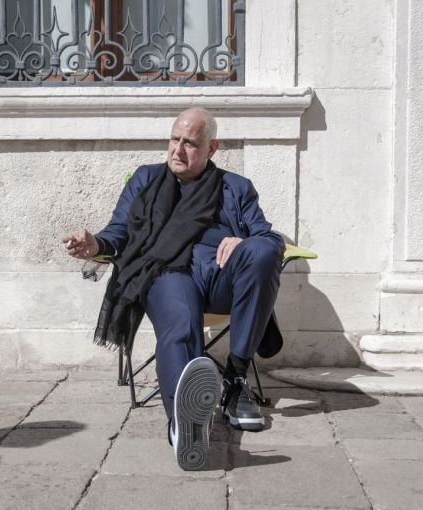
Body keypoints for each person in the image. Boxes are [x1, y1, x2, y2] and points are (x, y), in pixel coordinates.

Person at [62, 107, 284, 471]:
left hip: (221, 276)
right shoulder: (146, 179)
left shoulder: (236, 188)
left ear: (212, 148)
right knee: (180, 324)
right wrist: (96, 244)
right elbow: (120, 232)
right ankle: (184, 426)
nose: (178, 150)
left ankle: (236, 381)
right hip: (165, 272)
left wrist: (244, 241)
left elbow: (265, 235)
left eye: (190, 143)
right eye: (174, 139)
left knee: (265, 248)